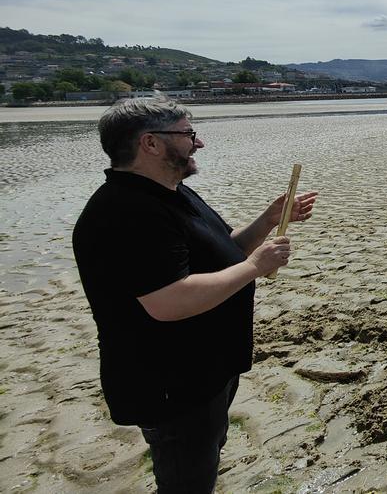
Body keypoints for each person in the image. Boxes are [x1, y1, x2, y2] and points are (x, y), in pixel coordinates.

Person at [72, 97, 319, 493]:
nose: (198, 143)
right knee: (185, 481)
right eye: (188, 134)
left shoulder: (171, 192)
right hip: (169, 386)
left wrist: (267, 221)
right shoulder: (125, 212)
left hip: (204, 373)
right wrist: (256, 266)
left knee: (202, 461)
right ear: (150, 143)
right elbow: (170, 301)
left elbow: (223, 252)